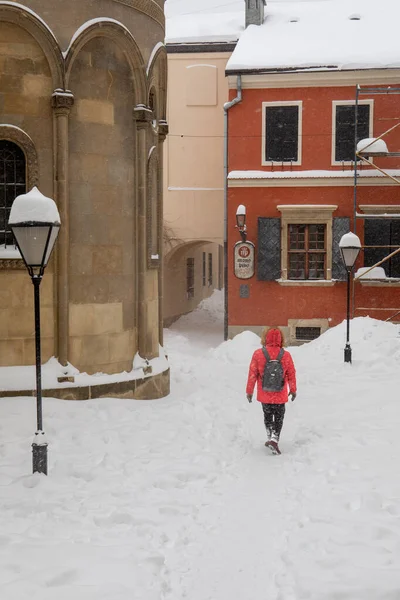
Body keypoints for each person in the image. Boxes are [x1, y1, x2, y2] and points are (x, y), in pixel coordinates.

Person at [246, 327, 297, 454]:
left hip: (265, 393)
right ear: (281, 339)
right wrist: (293, 389)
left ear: (265, 338)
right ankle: (274, 439)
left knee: (267, 415)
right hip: (280, 393)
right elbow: (291, 373)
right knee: (279, 417)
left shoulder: (258, 354)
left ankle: (270, 437)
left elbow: (252, 373)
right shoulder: (286, 355)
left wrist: (249, 391)